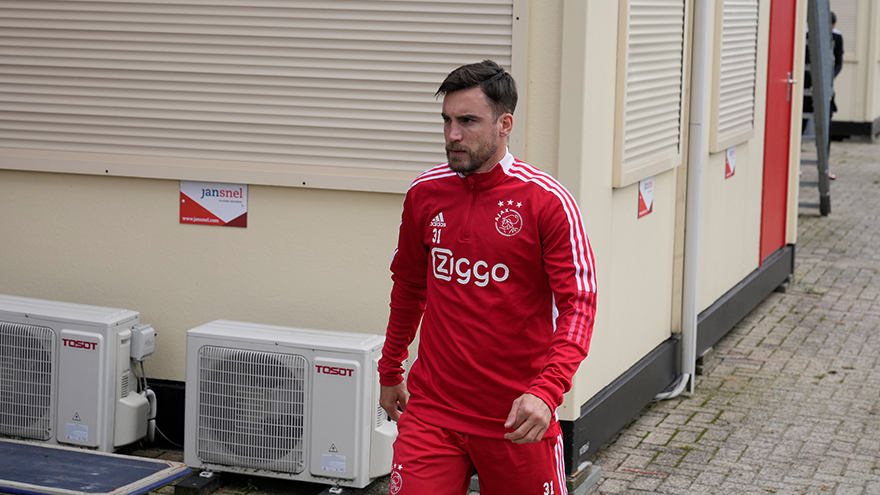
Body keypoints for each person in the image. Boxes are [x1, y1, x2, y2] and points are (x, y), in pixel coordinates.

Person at [377, 60, 597, 495]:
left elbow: (579, 306)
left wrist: (547, 391)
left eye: (467, 121)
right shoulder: (425, 193)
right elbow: (408, 287)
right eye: (447, 121)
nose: (452, 135)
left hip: (518, 418)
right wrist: (390, 368)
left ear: (504, 124)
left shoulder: (547, 201)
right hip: (432, 412)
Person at [803, 11, 844, 179]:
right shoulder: (806, 35)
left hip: (825, 87)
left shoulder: (837, 37)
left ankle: (825, 167)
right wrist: (811, 79)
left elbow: (838, 62)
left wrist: (828, 79)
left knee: (826, 127)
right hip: (807, 86)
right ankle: (795, 166)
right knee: (800, 124)